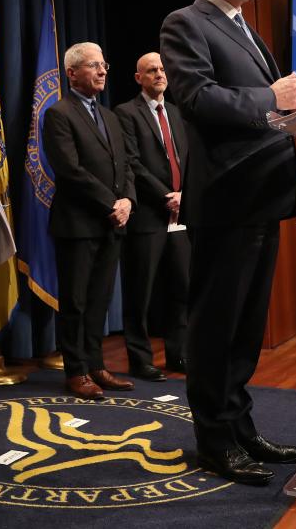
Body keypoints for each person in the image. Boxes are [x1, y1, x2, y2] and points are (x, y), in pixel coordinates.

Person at [160, 0, 296, 485]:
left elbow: (266, 110)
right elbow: (197, 98)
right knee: (216, 327)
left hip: (263, 196)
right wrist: (273, 98)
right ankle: (213, 441)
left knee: (246, 327)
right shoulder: (187, 23)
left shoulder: (246, 30)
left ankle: (240, 427)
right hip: (227, 200)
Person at [43, 42, 137, 400]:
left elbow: (126, 164)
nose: (102, 71)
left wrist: (127, 199)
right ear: (72, 73)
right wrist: (111, 202)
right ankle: (76, 371)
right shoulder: (59, 114)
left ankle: (97, 365)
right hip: (78, 224)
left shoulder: (110, 116)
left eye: (104, 65)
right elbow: (70, 171)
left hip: (113, 221)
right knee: (77, 301)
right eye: (93, 65)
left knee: (99, 300)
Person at [114, 52, 190, 381]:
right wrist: (166, 196)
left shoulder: (176, 112)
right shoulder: (125, 113)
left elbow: (187, 160)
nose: (159, 74)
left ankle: (178, 354)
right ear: (138, 78)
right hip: (148, 214)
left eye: (162, 69)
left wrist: (184, 196)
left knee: (181, 288)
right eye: (151, 70)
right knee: (140, 291)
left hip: (181, 214)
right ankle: (140, 359)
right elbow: (132, 163)